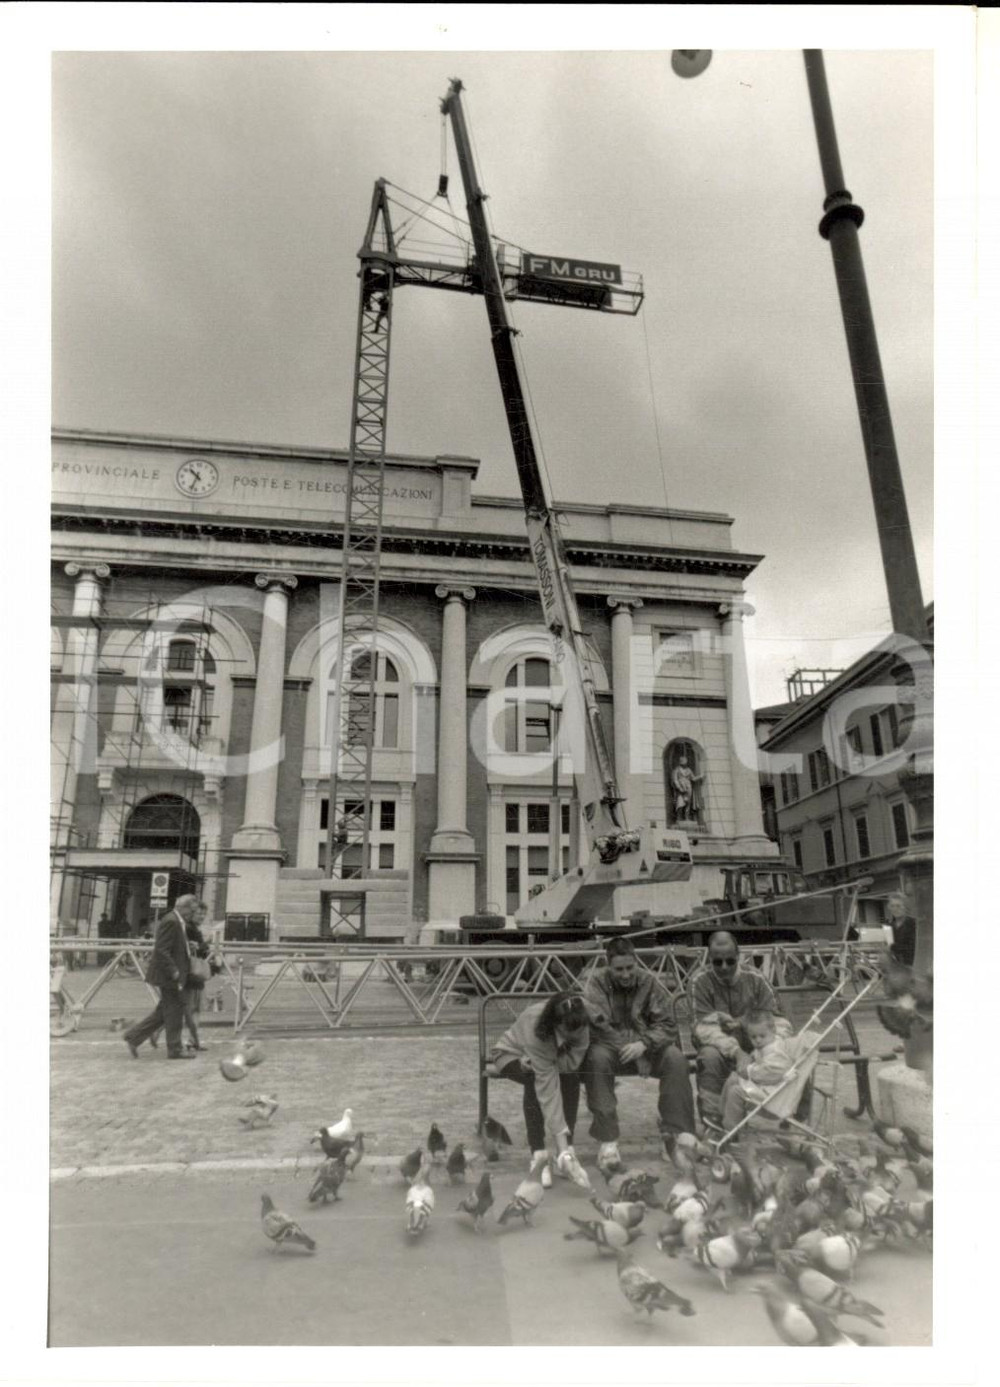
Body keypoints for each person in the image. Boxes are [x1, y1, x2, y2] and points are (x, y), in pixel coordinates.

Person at [582, 937, 696, 1164]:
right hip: (612, 1049)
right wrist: (634, 1050)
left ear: (636, 962)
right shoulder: (596, 983)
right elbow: (599, 1026)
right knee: (596, 1059)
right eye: (619, 969)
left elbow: (667, 1024)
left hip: (646, 1047)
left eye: (630, 967)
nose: (625, 974)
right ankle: (608, 1140)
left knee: (675, 1059)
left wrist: (644, 1046)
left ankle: (674, 1133)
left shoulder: (649, 982)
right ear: (608, 965)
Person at [487, 993, 590, 1188]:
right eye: (568, 1030)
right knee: (534, 1079)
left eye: (578, 1030)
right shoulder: (537, 1027)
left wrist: (565, 1151)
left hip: (553, 1060)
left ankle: (566, 1153)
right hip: (512, 1055)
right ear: (554, 1024)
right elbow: (548, 1093)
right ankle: (539, 1153)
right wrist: (533, 1058)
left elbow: (570, 1064)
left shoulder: (580, 1020)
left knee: (570, 1079)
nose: (575, 1035)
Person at [689, 930, 786, 1127]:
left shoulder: (756, 978)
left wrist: (772, 1046)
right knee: (709, 1056)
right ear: (709, 958)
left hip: (758, 1043)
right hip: (719, 1046)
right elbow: (704, 1029)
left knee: (793, 1055)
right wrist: (737, 1052)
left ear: (738, 956)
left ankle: (793, 1125)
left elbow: (778, 1019)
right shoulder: (699, 980)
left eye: (730, 961)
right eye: (717, 962)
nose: (724, 967)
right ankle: (714, 1122)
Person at [122, 895, 200, 1060]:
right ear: (183, 907)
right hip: (170, 975)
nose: (192, 914)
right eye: (192, 910)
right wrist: (173, 970)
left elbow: (172, 945)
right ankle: (174, 1049)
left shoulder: (176, 920)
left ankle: (133, 1037)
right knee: (174, 1012)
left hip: (173, 973)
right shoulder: (171, 921)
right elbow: (161, 949)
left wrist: (188, 945)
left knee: (164, 1012)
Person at [719, 1008, 795, 1131]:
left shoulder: (777, 1050)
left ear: (774, 1031)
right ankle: (723, 1116)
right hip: (766, 1088)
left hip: (775, 1095)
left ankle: (730, 1130)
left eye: (762, 1036)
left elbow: (774, 1071)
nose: (758, 1040)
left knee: (736, 1092)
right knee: (733, 1078)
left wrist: (750, 1071)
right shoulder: (766, 1046)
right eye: (753, 1037)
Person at [150, 900, 210, 1051]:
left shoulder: (190, 927)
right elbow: (185, 949)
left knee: (179, 1008)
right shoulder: (188, 928)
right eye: (198, 913)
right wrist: (204, 945)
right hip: (190, 973)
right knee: (189, 1009)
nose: (201, 916)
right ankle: (191, 1041)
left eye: (204, 914)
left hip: (187, 973)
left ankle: (189, 1040)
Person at [886, 892, 916, 968]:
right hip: (895, 967)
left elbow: (913, 947)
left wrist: (892, 947)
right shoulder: (889, 926)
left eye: (898, 906)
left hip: (911, 966)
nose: (895, 909)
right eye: (892, 906)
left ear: (905, 907)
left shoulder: (913, 924)